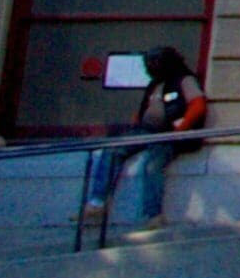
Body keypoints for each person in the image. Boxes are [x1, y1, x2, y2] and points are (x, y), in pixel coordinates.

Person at [79, 49, 204, 236]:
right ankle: (97, 202)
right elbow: (145, 108)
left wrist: (181, 129)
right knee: (112, 150)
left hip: (167, 134)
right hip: (145, 131)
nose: (150, 68)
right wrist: (136, 124)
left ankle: (153, 215)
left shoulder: (184, 80)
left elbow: (198, 104)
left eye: (154, 64)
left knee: (152, 165)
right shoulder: (154, 84)